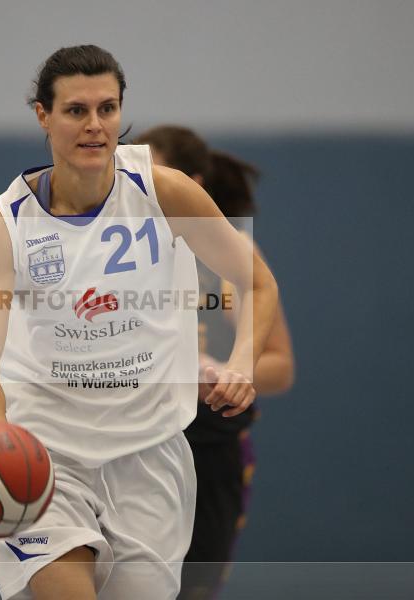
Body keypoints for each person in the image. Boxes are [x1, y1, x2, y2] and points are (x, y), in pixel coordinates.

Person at [0, 45, 279, 600]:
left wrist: (242, 363)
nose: (94, 125)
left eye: (107, 109)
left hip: (149, 454)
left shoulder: (163, 190)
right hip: (46, 456)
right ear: (43, 115)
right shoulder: (7, 220)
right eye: (76, 110)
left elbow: (258, 281)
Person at [134, 126, 295, 600]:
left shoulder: (225, 261)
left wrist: (225, 369)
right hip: (135, 446)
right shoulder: (119, 253)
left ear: (193, 185)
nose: (145, 189)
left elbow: (281, 366)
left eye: (155, 176)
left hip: (207, 453)